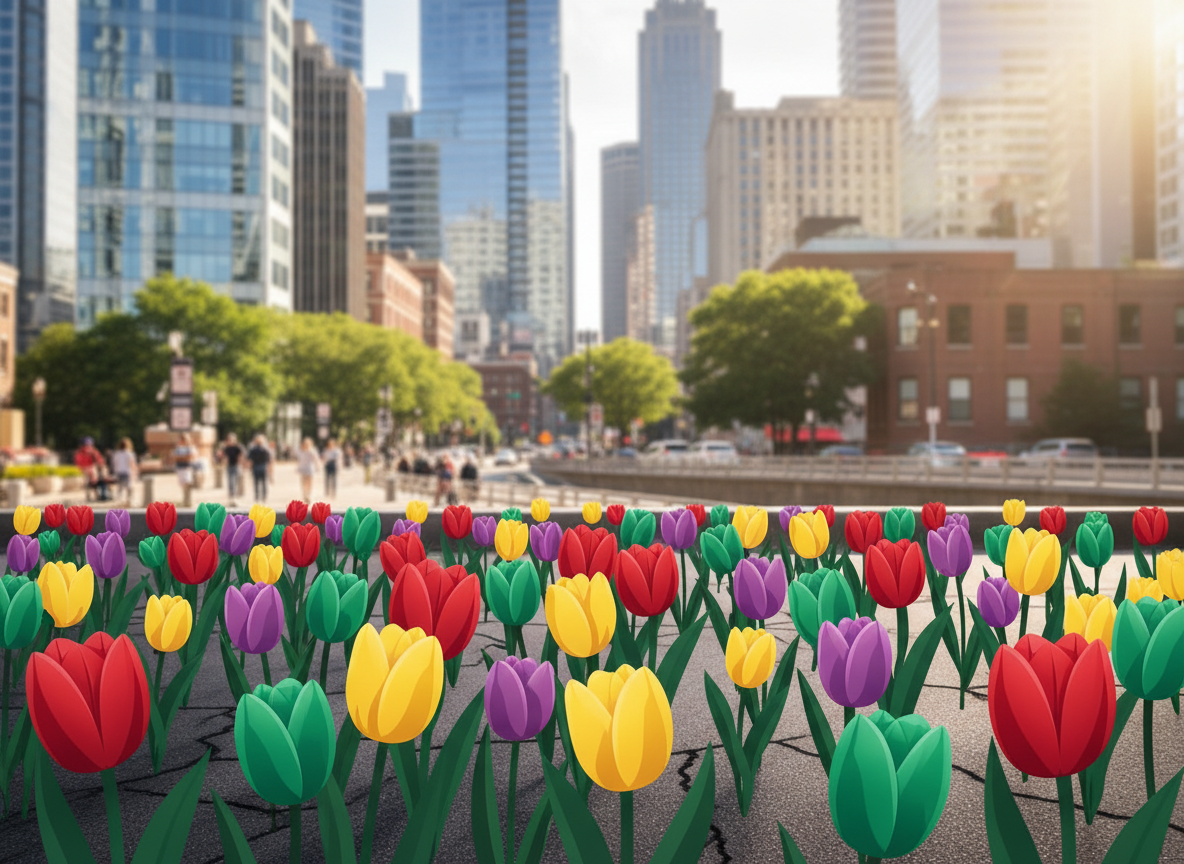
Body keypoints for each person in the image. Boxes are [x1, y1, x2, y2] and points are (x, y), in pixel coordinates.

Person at [75, 437, 109, 502]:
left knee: (90, 484)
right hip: (90, 470)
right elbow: (100, 461)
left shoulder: (81, 452)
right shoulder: (92, 451)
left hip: (89, 470)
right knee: (92, 483)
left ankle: (92, 496)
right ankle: (95, 495)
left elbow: (78, 463)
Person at [110, 438, 136, 503]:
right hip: (127, 471)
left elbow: (114, 463)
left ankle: (119, 500)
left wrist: (114, 471)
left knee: (120, 487)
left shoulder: (116, 453)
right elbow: (132, 463)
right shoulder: (129, 453)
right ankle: (128, 500)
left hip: (118, 471)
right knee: (129, 487)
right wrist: (134, 472)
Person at [247, 434, 272, 501]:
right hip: (259, 467)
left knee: (259, 483)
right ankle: (261, 496)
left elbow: (269, 460)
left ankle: (260, 496)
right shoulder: (262, 450)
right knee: (259, 483)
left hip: (260, 467)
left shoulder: (260, 450)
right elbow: (250, 460)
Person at [296, 437, 320, 503]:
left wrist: (318, 467)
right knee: (303, 484)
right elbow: (299, 460)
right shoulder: (301, 451)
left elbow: (316, 459)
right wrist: (297, 468)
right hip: (303, 470)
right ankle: (305, 495)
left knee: (309, 484)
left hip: (310, 470)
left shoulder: (312, 451)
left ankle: (309, 495)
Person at [222, 433, 244, 505]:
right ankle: (231, 497)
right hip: (229, 466)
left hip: (236, 466)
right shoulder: (227, 448)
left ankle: (235, 497)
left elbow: (241, 456)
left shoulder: (237, 448)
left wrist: (241, 465)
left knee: (235, 482)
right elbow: (225, 457)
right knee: (230, 482)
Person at [173, 433, 195, 497]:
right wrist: (184, 457)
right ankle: (185, 497)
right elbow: (175, 457)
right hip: (180, 467)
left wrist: (182, 457)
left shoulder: (190, 448)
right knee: (182, 483)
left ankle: (188, 498)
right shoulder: (178, 448)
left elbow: (191, 456)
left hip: (187, 467)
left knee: (187, 480)